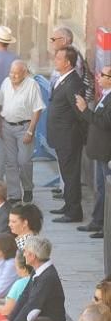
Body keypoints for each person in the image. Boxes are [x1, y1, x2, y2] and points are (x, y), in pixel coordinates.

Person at [2, 236, 67, 321]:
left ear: (32, 256)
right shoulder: (37, 269)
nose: (24, 254)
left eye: (25, 252)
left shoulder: (47, 277)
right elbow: (25, 295)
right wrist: (10, 320)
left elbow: (32, 305)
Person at [0, 60, 45, 203]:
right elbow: (1, 105)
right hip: (6, 126)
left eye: (17, 73)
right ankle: (14, 194)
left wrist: (30, 131)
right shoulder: (5, 82)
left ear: (24, 73)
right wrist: (0, 124)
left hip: (24, 127)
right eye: (12, 72)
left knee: (24, 161)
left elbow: (38, 109)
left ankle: (28, 188)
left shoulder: (32, 85)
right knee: (10, 162)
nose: (14, 76)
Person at [49, 46, 88, 223]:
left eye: (58, 58)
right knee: (66, 174)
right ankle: (68, 205)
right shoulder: (64, 79)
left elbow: (79, 113)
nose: (55, 60)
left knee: (71, 175)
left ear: (67, 63)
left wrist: (78, 135)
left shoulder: (73, 82)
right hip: (61, 136)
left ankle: (74, 212)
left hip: (69, 138)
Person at [75, 64, 111, 239]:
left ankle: (104, 226)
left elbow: (104, 122)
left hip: (106, 152)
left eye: (102, 75)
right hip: (99, 151)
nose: (98, 77)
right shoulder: (105, 95)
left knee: (106, 190)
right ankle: (97, 221)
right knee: (101, 188)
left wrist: (84, 110)